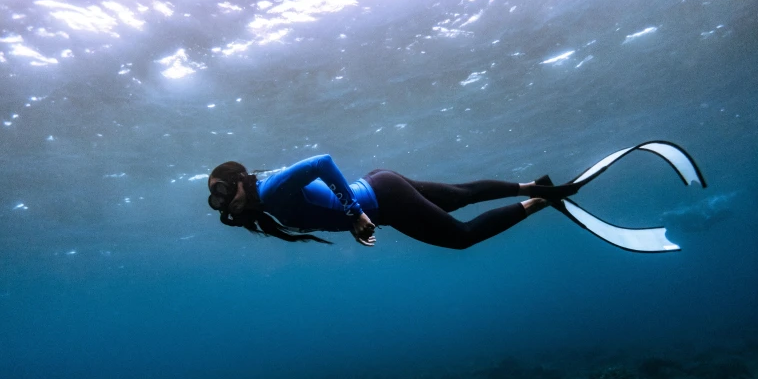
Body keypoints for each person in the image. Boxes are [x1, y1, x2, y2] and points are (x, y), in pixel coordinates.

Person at [207, 154, 579, 249]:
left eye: (223, 190)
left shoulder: (269, 190)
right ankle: (536, 186)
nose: (223, 203)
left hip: (384, 199)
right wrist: (354, 212)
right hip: (382, 185)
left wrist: (355, 214)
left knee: (462, 237)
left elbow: (321, 162)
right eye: (215, 199)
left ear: (241, 179)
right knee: (461, 196)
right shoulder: (266, 199)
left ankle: (542, 200)